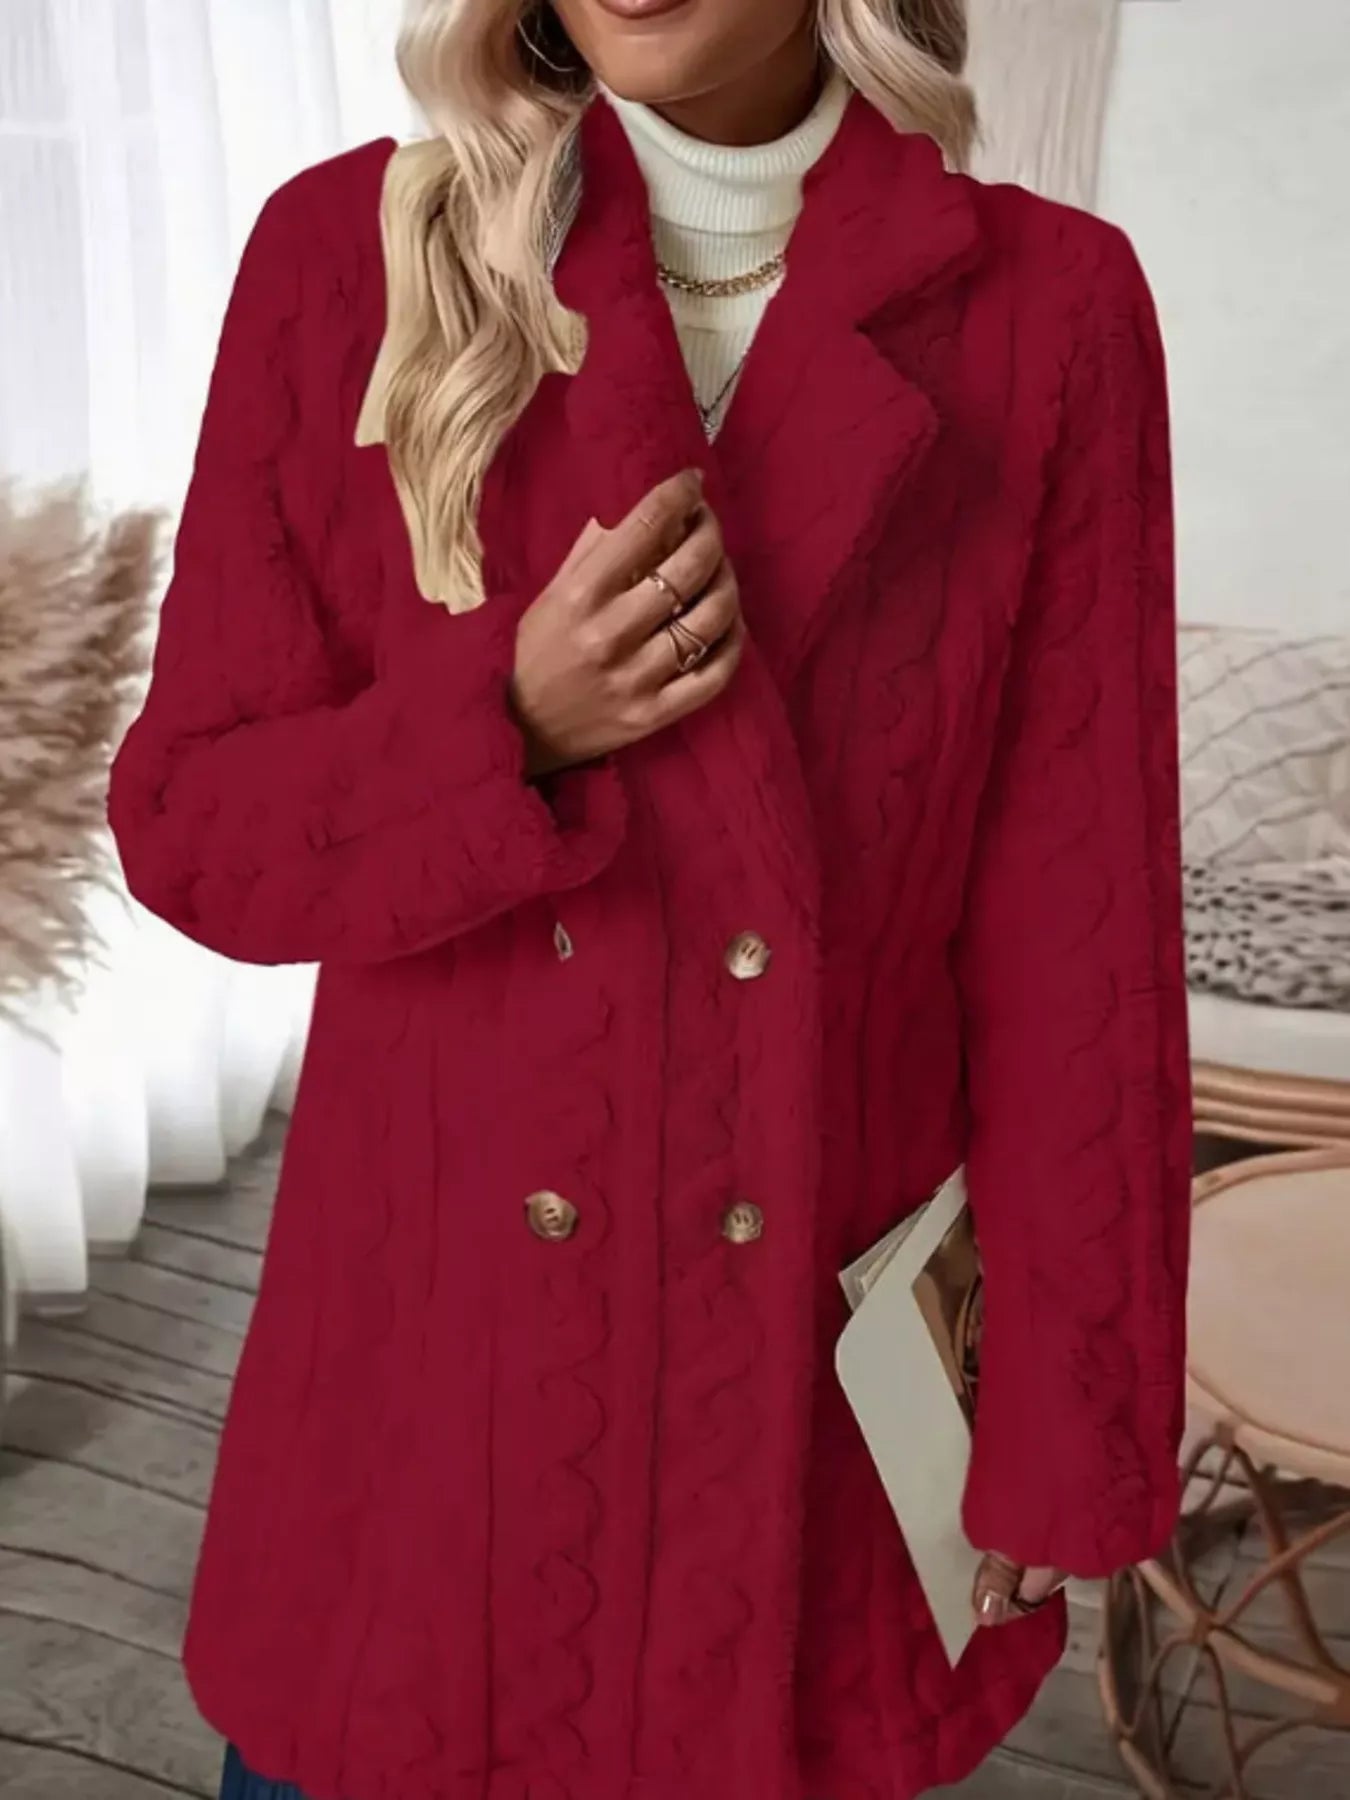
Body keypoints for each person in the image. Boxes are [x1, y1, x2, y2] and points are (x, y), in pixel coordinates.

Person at [108, 1, 1193, 1797]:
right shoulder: (355, 255)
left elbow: (1080, 941)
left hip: (809, 1403)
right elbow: (189, 830)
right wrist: (509, 728)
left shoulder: (1046, 305)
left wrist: (1065, 1422)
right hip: (433, 1391)